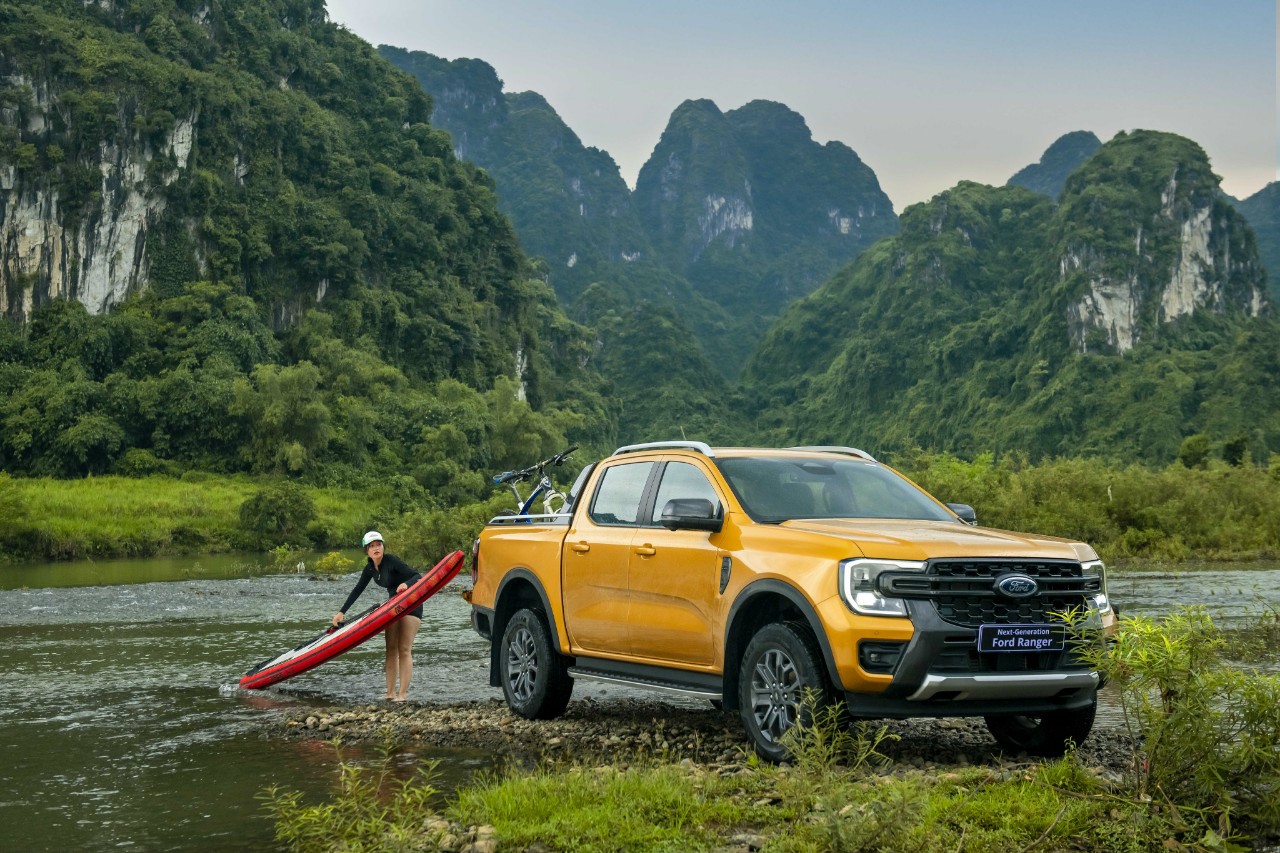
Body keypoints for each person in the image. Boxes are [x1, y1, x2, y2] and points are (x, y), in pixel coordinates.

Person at [332, 531, 423, 702]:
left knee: (404, 649)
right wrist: (341, 612)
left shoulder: (392, 560)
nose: (376, 548)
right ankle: (390, 693)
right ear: (366, 550)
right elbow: (357, 590)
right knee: (390, 649)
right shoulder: (369, 569)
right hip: (392, 606)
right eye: (372, 546)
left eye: (379, 544)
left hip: (411, 603)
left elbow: (417, 576)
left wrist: (406, 584)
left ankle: (402, 694)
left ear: (383, 546)